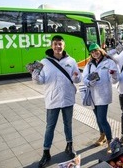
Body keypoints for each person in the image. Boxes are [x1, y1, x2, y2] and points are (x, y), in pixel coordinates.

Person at [32, 35, 81, 168]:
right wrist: (35, 75)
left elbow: (77, 78)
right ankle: (46, 152)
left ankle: (69, 146)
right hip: (52, 99)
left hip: (67, 98)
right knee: (50, 127)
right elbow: (40, 80)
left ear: (64, 45)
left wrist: (76, 77)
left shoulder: (71, 61)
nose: (58, 46)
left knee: (68, 124)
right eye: (55, 44)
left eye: (60, 44)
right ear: (51, 46)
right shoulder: (44, 62)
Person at [82, 43, 119, 153]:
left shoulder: (109, 62)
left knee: (102, 119)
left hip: (103, 95)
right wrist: (89, 82)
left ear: (100, 50)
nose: (95, 53)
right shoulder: (89, 65)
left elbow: (114, 80)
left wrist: (113, 75)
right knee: (98, 119)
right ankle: (102, 136)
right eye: (92, 52)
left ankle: (110, 142)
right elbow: (84, 78)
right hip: (93, 95)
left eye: (96, 50)